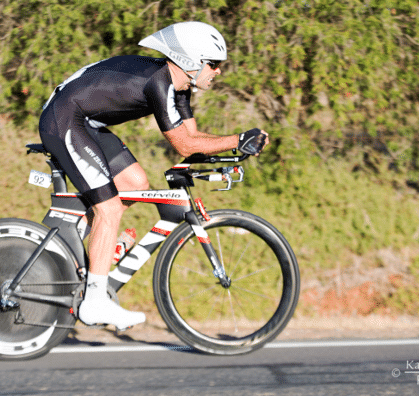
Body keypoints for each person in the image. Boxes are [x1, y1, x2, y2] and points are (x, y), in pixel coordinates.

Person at [38, 21, 269, 330]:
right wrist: (237, 139)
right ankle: (94, 302)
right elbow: (183, 144)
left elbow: (194, 138)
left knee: (134, 183)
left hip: (84, 121)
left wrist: (233, 151)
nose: (218, 71)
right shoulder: (159, 83)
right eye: (213, 64)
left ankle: (75, 247)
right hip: (63, 119)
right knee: (108, 209)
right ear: (191, 62)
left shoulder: (180, 88)